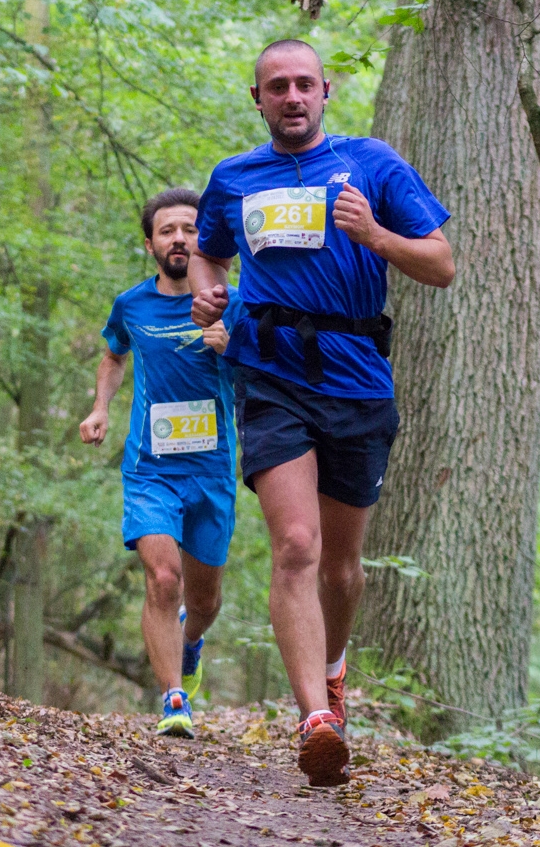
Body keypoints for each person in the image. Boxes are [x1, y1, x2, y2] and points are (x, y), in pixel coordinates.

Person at [188, 39, 454, 786]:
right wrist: (211, 292)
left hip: (357, 380)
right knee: (297, 544)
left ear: (327, 90)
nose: (293, 96)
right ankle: (316, 720)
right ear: (258, 99)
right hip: (269, 373)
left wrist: (376, 235)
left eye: (305, 83)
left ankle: (334, 669)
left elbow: (442, 263)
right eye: (278, 87)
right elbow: (211, 254)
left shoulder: (373, 165)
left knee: (341, 567)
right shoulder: (234, 177)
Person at [81, 188, 240, 738]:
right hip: (151, 467)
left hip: (214, 469)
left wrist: (230, 348)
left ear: (206, 241)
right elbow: (112, 351)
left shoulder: (231, 303)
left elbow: (266, 376)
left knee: (205, 598)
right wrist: (100, 408)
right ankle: (174, 699)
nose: (180, 239)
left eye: (191, 229)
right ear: (150, 243)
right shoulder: (131, 305)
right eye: (168, 230)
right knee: (163, 576)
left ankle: (191, 643)